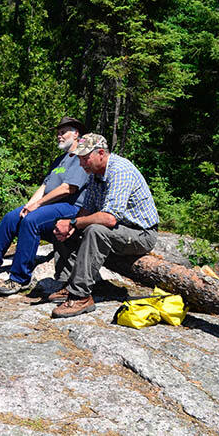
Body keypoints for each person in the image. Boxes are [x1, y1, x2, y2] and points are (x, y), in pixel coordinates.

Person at [0, 116, 90, 298]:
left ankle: (19, 278)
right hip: (50, 206)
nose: (59, 136)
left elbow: (68, 188)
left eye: (63, 132)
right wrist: (28, 205)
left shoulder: (80, 157)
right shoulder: (59, 160)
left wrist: (38, 205)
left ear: (76, 134)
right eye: (58, 133)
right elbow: (44, 186)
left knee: (31, 220)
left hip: (70, 207)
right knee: (13, 217)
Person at [50, 133, 159, 318]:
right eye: (79, 158)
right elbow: (86, 210)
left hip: (141, 234)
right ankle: (68, 284)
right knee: (65, 227)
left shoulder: (120, 170)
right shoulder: (94, 174)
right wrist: (70, 226)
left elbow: (109, 219)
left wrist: (75, 223)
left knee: (95, 230)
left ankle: (81, 296)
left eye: (85, 158)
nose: (81, 163)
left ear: (101, 153)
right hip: (117, 231)